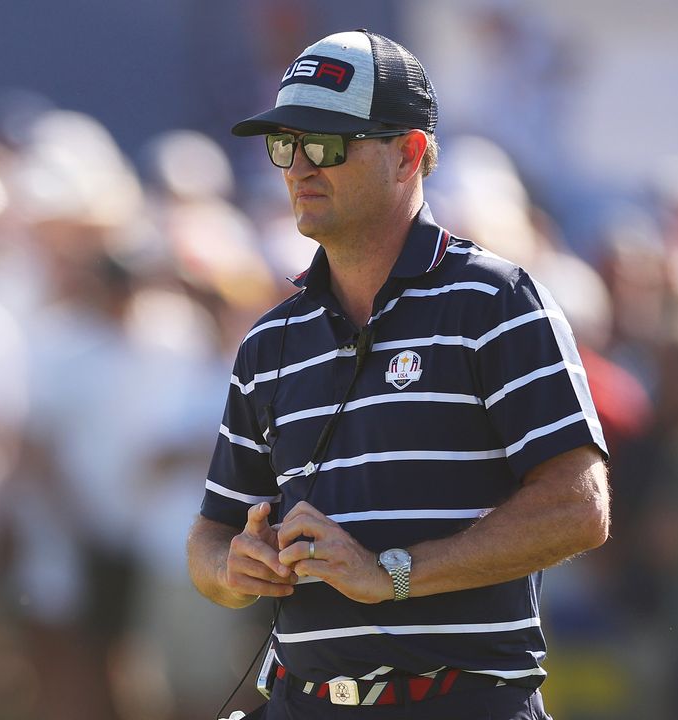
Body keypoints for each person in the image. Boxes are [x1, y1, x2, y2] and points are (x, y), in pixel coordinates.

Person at [186, 29, 610, 720]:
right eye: (284, 145)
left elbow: (580, 507)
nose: (298, 167)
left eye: (324, 145)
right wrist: (235, 570)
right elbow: (209, 537)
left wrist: (394, 575)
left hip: (462, 703)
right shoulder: (269, 342)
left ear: (408, 154)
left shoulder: (497, 302)